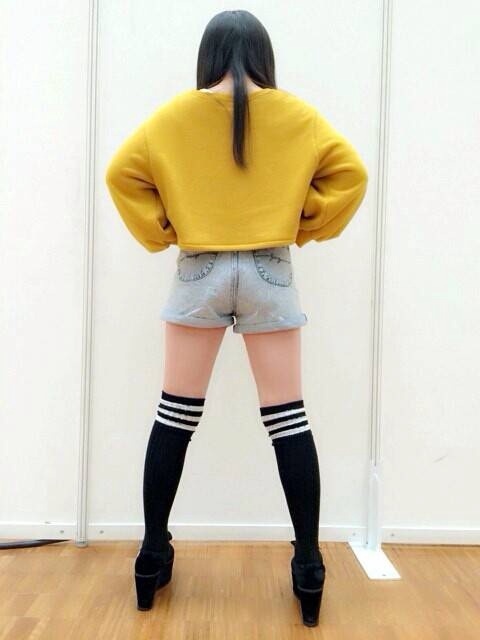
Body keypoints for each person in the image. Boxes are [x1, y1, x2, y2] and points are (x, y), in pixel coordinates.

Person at [105, 9, 368, 627]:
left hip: (199, 266)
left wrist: (163, 228)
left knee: (175, 415)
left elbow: (121, 173)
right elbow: (351, 175)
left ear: (208, 55)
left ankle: (151, 556)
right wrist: (301, 221)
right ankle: (308, 565)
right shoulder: (295, 114)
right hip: (269, 267)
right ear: (263, 55)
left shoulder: (176, 114)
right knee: (288, 419)